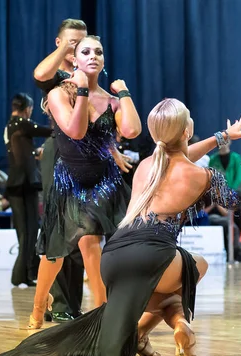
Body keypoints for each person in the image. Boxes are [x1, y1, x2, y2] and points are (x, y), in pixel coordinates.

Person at [0, 98, 241, 356]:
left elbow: (179, 153)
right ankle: (149, 330)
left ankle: (170, 327)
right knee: (197, 266)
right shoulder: (204, 175)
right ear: (186, 131)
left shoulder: (147, 166)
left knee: (159, 288)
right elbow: (235, 200)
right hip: (151, 257)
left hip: (113, 257)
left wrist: (222, 136)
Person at [29, 35, 142, 329]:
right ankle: (39, 305)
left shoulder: (112, 101)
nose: (93, 56)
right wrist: (80, 89)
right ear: (74, 60)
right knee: (54, 253)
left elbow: (131, 131)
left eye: (98, 52)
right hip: (70, 180)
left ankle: (104, 310)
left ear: (103, 62)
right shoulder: (58, 94)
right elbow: (76, 132)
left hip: (104, 180)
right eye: (86, 51)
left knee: (91, 239)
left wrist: (125, 93)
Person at [34, 19, 89, 323]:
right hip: (59, 153)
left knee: (81, 232)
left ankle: (73, 305)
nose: (76, 48)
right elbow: (40, 74)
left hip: (87, 155)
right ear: (59, 43)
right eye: (71, 43)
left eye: (80, 43)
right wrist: (64, 53)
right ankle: (59, 304)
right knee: (58, 227)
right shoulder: (54, 75)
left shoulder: (88, 73)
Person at [4, 93, 53, 286]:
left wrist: (35, 152)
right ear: (27, 108)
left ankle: (26, 274)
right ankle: (20, 275)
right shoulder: (21, 123)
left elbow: (21, 150)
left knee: (25, 230)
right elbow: (47, 131)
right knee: (29, 230)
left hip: (16, 183)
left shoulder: (10, 126)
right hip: (25, 183)